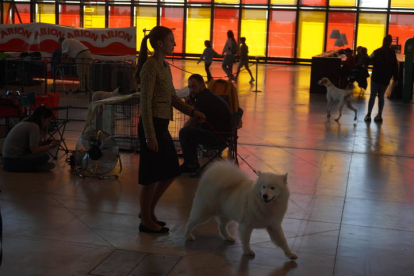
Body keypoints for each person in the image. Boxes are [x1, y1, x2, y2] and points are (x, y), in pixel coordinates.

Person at [135, 26, 206, 234]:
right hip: (152, 127)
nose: (174, 44)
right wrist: (150, 135)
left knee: (171, 171)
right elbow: (145, 103)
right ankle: (146, 221)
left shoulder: (164, 66)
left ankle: (147, 212)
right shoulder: (150, 67)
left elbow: (173, 98)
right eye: (171, 40)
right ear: (160, 44)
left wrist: (192, 111)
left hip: (162, 125)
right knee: (150, 177)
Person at [179, 74, 232, 174]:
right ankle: (192, 162)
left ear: (203, 85)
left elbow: (192, 121)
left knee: (184, 132)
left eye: (194, 87)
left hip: (218, 137)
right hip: (225, 136)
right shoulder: (207, 96)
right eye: (189, 87)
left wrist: (182, 133)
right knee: (190, 131)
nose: (191, 90)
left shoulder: (203, 99)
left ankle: (190, 165)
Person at [2, 106, 60, 172]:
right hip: (12, 162)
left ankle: (36, 166)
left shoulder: (27, 122)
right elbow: (34, 150)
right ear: (42, 118)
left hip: (6, 161)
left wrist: (46, 143)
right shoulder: (34, 126)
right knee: (44, 156)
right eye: (48, 121)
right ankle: (35, 167)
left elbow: (33, 145)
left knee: (42, 154)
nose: (49, 123)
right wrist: (50, 146)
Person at [364, 35, 398, 122]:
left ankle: (368, 115)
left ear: (383, 41)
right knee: (381, 96)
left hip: (376, 76)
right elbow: (394, 66)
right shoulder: (392, 53)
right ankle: (379, 115)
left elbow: (368, 59)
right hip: (385, 78)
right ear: (390, 43)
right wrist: (396, 78)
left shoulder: (377, 51)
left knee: (372, 95)